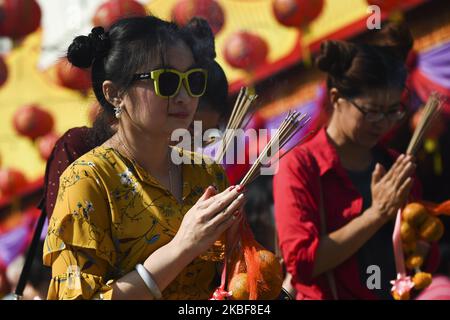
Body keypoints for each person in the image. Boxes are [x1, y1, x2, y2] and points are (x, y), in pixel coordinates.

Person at [43, 16, 245, 300]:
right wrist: (183, 247)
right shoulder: (87, 182)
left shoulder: (208, 173)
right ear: (115, 94)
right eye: (167, 81)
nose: (184, 96)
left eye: (193, 80)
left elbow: (236, 273)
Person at [273, 23, 439, 300]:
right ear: (337, 99)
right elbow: (302, 263)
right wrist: (376, 214)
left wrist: (421, 246)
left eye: (392, 112)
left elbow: (421, 254)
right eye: (372, 111)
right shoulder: (300, 166)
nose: (383, 124)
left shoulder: (394, 162)